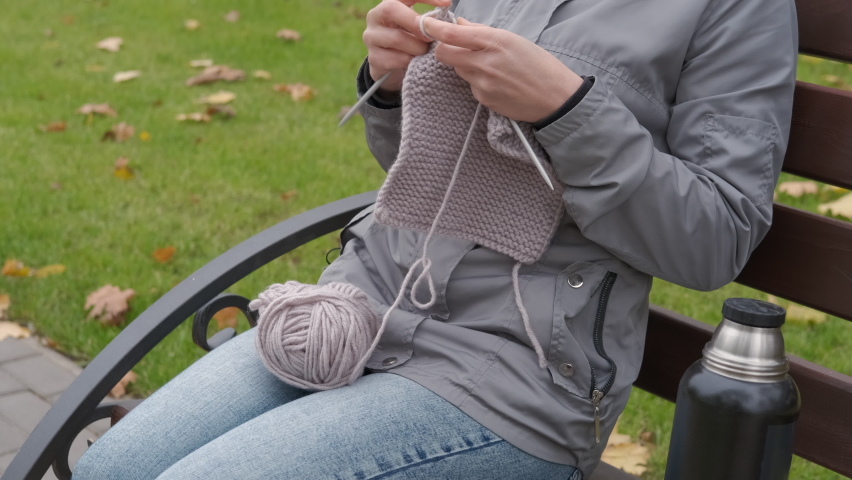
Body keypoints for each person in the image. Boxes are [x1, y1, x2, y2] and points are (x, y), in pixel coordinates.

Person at [73, 0, 797, 477]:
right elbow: (428, 177)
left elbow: (716, 239)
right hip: (358, 312)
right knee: (114, 467)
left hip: (515, 377)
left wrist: (567, 112)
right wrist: (391, 83)